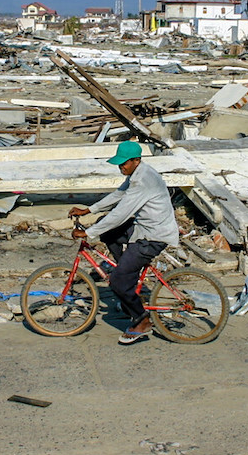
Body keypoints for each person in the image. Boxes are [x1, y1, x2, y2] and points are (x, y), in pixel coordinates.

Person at [69, 139, 179, 345]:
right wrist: (89, 209)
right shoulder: (138, 173)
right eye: (120, 163)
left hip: (153, 236)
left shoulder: (143, 181)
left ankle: (142, 320)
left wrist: (88, 233)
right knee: (110, 235)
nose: (121, 167)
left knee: (117, 280)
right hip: (144, 226)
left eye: (124, 163)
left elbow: (120, 213)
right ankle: (130, 279)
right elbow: (119, 194)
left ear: (136, 160)